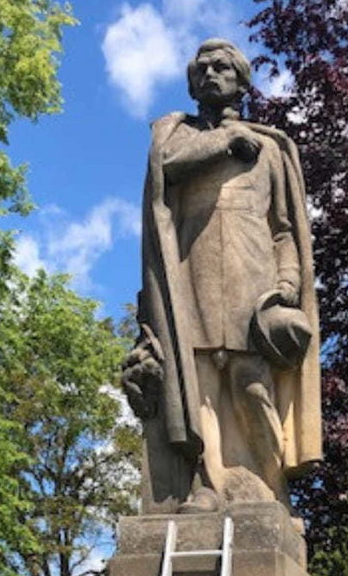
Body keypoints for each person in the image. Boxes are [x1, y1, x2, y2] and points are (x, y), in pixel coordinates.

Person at [122, 38, 322, 514]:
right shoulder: (179, 136)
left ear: (241, 80)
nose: (211, 75)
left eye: (222, 67)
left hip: (254, 281)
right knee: (200, 384)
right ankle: (206, 486)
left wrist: (289, 283)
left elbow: (284, 229)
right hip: (191, 278)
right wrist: (223, 142)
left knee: (250, 383)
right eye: (203, 69)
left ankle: (269, 487)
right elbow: (165, 168)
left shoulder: (271, 149)